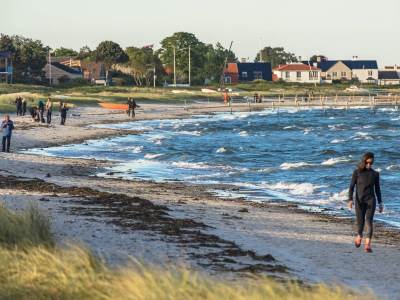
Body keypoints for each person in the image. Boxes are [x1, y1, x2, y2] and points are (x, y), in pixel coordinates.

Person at [348, 152, 383, 253]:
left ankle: (367, 244)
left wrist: (380, 203)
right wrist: (350, 199)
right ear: (364, 161)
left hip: (371, 200)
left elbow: (377, 189)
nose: (369, 165)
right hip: (359, 200)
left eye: (371, 163)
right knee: (360, 222)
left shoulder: (375, 174)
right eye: (367, 163)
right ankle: (359, 235)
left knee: (369, 221)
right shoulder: (357, 172)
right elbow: (351, 187)